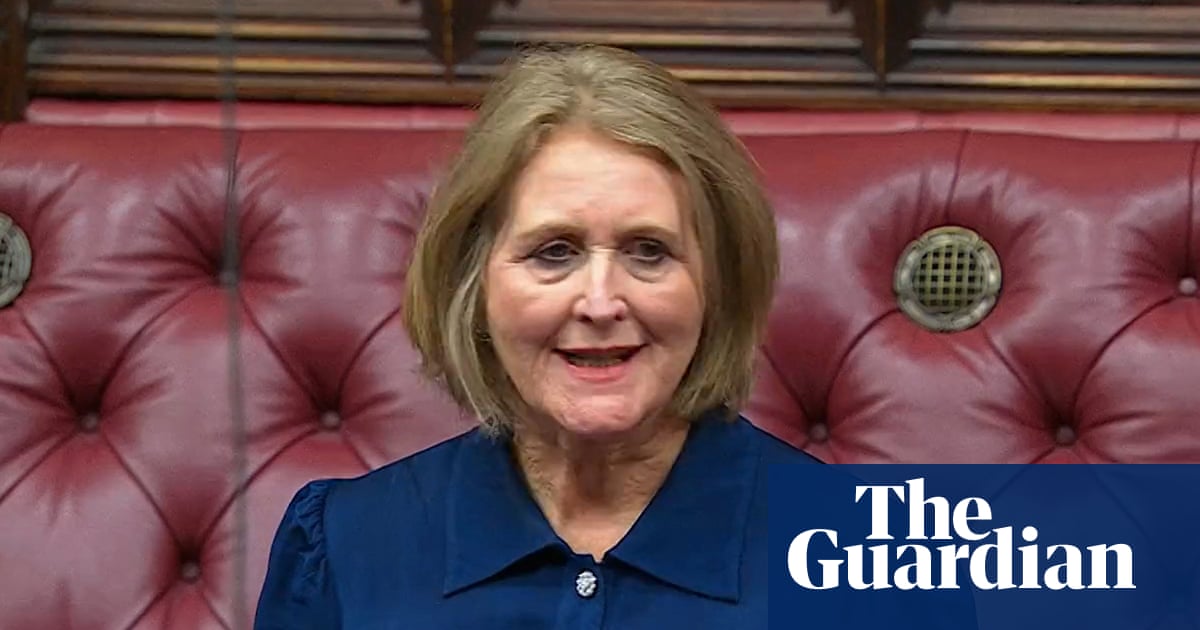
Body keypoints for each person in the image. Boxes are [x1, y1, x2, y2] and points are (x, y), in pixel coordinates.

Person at [253, 43, 821, 629]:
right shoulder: (347, 547)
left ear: (717, 284)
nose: (600, 303)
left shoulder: (855, 549)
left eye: (649, 251)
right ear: (474, 282)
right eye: (555, 252)